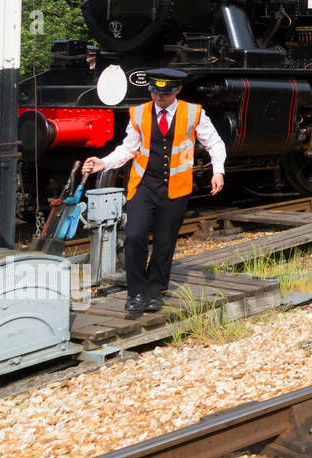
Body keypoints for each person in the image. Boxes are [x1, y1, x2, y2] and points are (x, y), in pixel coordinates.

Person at [82, 69, 226, 316]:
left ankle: (156, 291)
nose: (159, 97)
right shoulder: (139, 113)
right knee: (134, 235)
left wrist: (218, 170)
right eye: (155, 92)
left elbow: (214, 142)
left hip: (176, 187)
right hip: (144, 185)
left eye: (165, 93)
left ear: (177, 91)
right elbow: (128, 148)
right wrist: (103, 163)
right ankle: (136, 292)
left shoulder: (193, 113)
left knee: (164, 242)